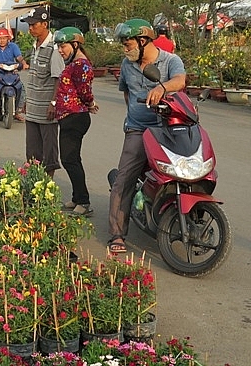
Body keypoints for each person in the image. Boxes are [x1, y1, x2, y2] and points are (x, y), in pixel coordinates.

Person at [108, 18, 186, 253]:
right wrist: (133, 118)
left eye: (127, 43)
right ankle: (117, 235)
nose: (125, 48)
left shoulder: (170, 61)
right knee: (124, 178)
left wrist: (161, 88)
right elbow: (127, 94)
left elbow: (180, 81)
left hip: (168, 127)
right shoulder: (126, 64)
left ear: (143, 41)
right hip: (138, 129)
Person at [53, 27, 99, 217]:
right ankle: (77, 197)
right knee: (71, 159)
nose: (60, 50)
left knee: (70, 160)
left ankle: (84, 201)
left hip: (75, 117)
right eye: (58, 46)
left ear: (75, 44)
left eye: (62, 46)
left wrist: (90, 103)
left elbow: (84, 91)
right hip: (68, 116)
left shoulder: (81, 64)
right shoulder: (75, 64)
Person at [21, 6, 65, 177]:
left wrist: (53, 103)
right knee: (32, 151)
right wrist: (27, 100)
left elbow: (58, 78)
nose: (30, 28)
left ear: (45, 24)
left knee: (49, 152)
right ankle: (33, 181)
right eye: (29, 25)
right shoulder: (34, 46)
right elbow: (33, 76)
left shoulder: (54, 48)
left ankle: (47, 185)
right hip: (32, 108)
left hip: (47, 111)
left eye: (34, 24)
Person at [0, 27, 27, 121]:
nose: (2, 40)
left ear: (8, 38)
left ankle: (18, 110)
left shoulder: (13, 46)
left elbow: (19, 57)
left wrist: (24, 64)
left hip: (11, 72)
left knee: (20, 86)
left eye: (4, 38)